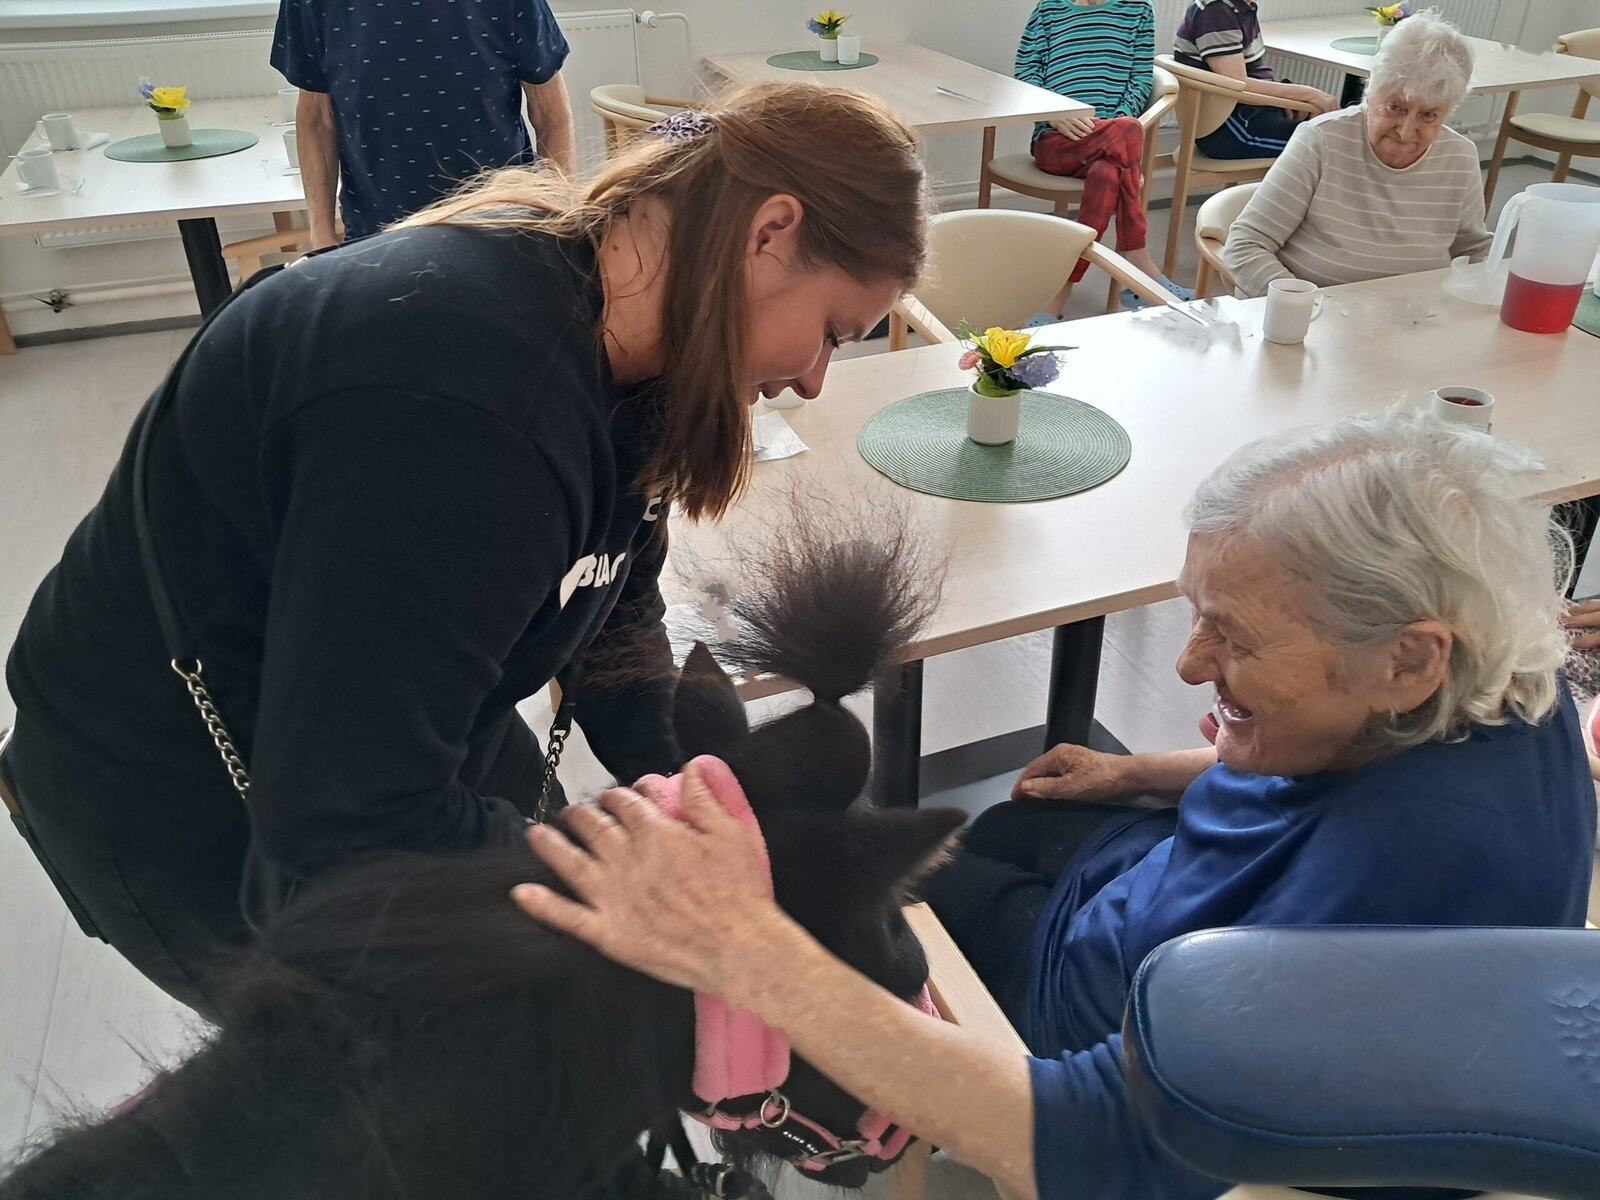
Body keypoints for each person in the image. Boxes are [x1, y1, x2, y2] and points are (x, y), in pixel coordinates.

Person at [0, 83, 928, 1019]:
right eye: (832, 333)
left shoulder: (632, 338)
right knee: (384, 1082)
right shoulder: (464, 409)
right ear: (769, 232)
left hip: (385, 729)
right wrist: (656, 885)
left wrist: (702, 795)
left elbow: (612, 600)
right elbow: (348, 832)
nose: (815, 378)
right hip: (171, 783)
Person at [513, 408, 1597, 1200]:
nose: (1188, 666)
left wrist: (739, 944)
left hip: (1100, 1019)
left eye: (1235, 638)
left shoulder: (1375, 921)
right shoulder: (1501, 686)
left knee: (927, 885)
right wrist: (1139, 773)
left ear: (1409, 656)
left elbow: (1083, 1149)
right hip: (1159, 901)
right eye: (1199, 615)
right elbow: (1325, 763)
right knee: (1006, 823)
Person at [1223, 11, 1491, 297]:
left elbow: (1474, 251)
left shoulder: (1460, 157)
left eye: (1428, 115)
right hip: (1315, 315)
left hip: (1418, 316)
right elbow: (1246, 244)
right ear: (1370, 94)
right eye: (1395, 107)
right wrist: (1301, 306)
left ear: (1447, 112)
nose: (1405, 131)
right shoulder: (1321, 140)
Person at [272, 0, 578, 247]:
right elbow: (316, 119)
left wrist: (559, 225)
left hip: (500, 230)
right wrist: (321, 235)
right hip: (377, 237)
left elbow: (552, 116)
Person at [1013, 0, 1194, 313]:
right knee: (1128, 131)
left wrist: (1111, 132)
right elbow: (1025, 74)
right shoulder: (1049, 9)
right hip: (1055, 141)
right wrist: (1055, 114)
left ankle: (1061, 292)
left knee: (1107, 170)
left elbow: (1140, 81)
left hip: (1111, 139)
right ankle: (1136, 257)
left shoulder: (1137, 9)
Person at [1173, 0, 1338, 160]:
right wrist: (1307, 94)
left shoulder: (1238, 7)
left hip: (1249, 112)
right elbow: (1237, 84)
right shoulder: (1216, 11)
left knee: (1339, 127)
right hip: (1230, 127)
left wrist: (1289, 98)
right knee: (1336, 142)